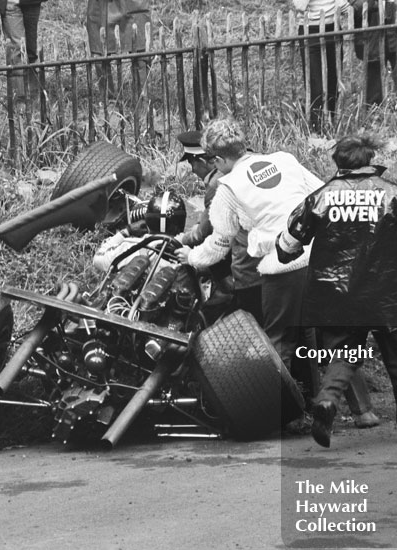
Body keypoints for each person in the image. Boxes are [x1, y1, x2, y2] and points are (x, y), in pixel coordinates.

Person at [276, 135, 397, 447]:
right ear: (370, 161)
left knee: (343, 354)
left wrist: (282, 251)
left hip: (336, 296)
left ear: (338, 163)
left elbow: (288, 245)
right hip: (387, 296)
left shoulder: (320, 197)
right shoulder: (392, 194)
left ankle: (327, 400)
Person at [176, 118, 322, 373]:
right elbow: (322, 194)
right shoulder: (284, 159)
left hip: (283, 265)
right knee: (311, 331)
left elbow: (218, 244)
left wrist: (191, 257)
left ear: (218, 161)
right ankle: (323, 402)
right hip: (317, 255)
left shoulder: (227, 188)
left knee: (276, 342)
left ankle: (284, 412)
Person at [174, 129, 262, 324]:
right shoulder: (256, 160)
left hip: (248, 265)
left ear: (206, 161)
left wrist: (183, 245)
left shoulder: (218, 184)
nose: (192, 169)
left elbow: (205, 233)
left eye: (192, 163)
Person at [93, 188, 186, 272]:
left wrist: (125, 232)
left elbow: (97, 259)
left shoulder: (129, 247)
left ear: (148, 223)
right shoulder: (189, 256)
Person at [0, 0, 45, 104]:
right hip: (9, 3)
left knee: (32, 50)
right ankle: (20, 99)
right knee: (16, 49)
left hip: (31, 3)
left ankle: (35, 98)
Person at [293, 0, 348, 131]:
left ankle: (332, 123)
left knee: (333, 80)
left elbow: (344, 6)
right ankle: (316, 128)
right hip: (310, 31)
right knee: (315, 83)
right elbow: (299, 6)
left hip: (333, 28)